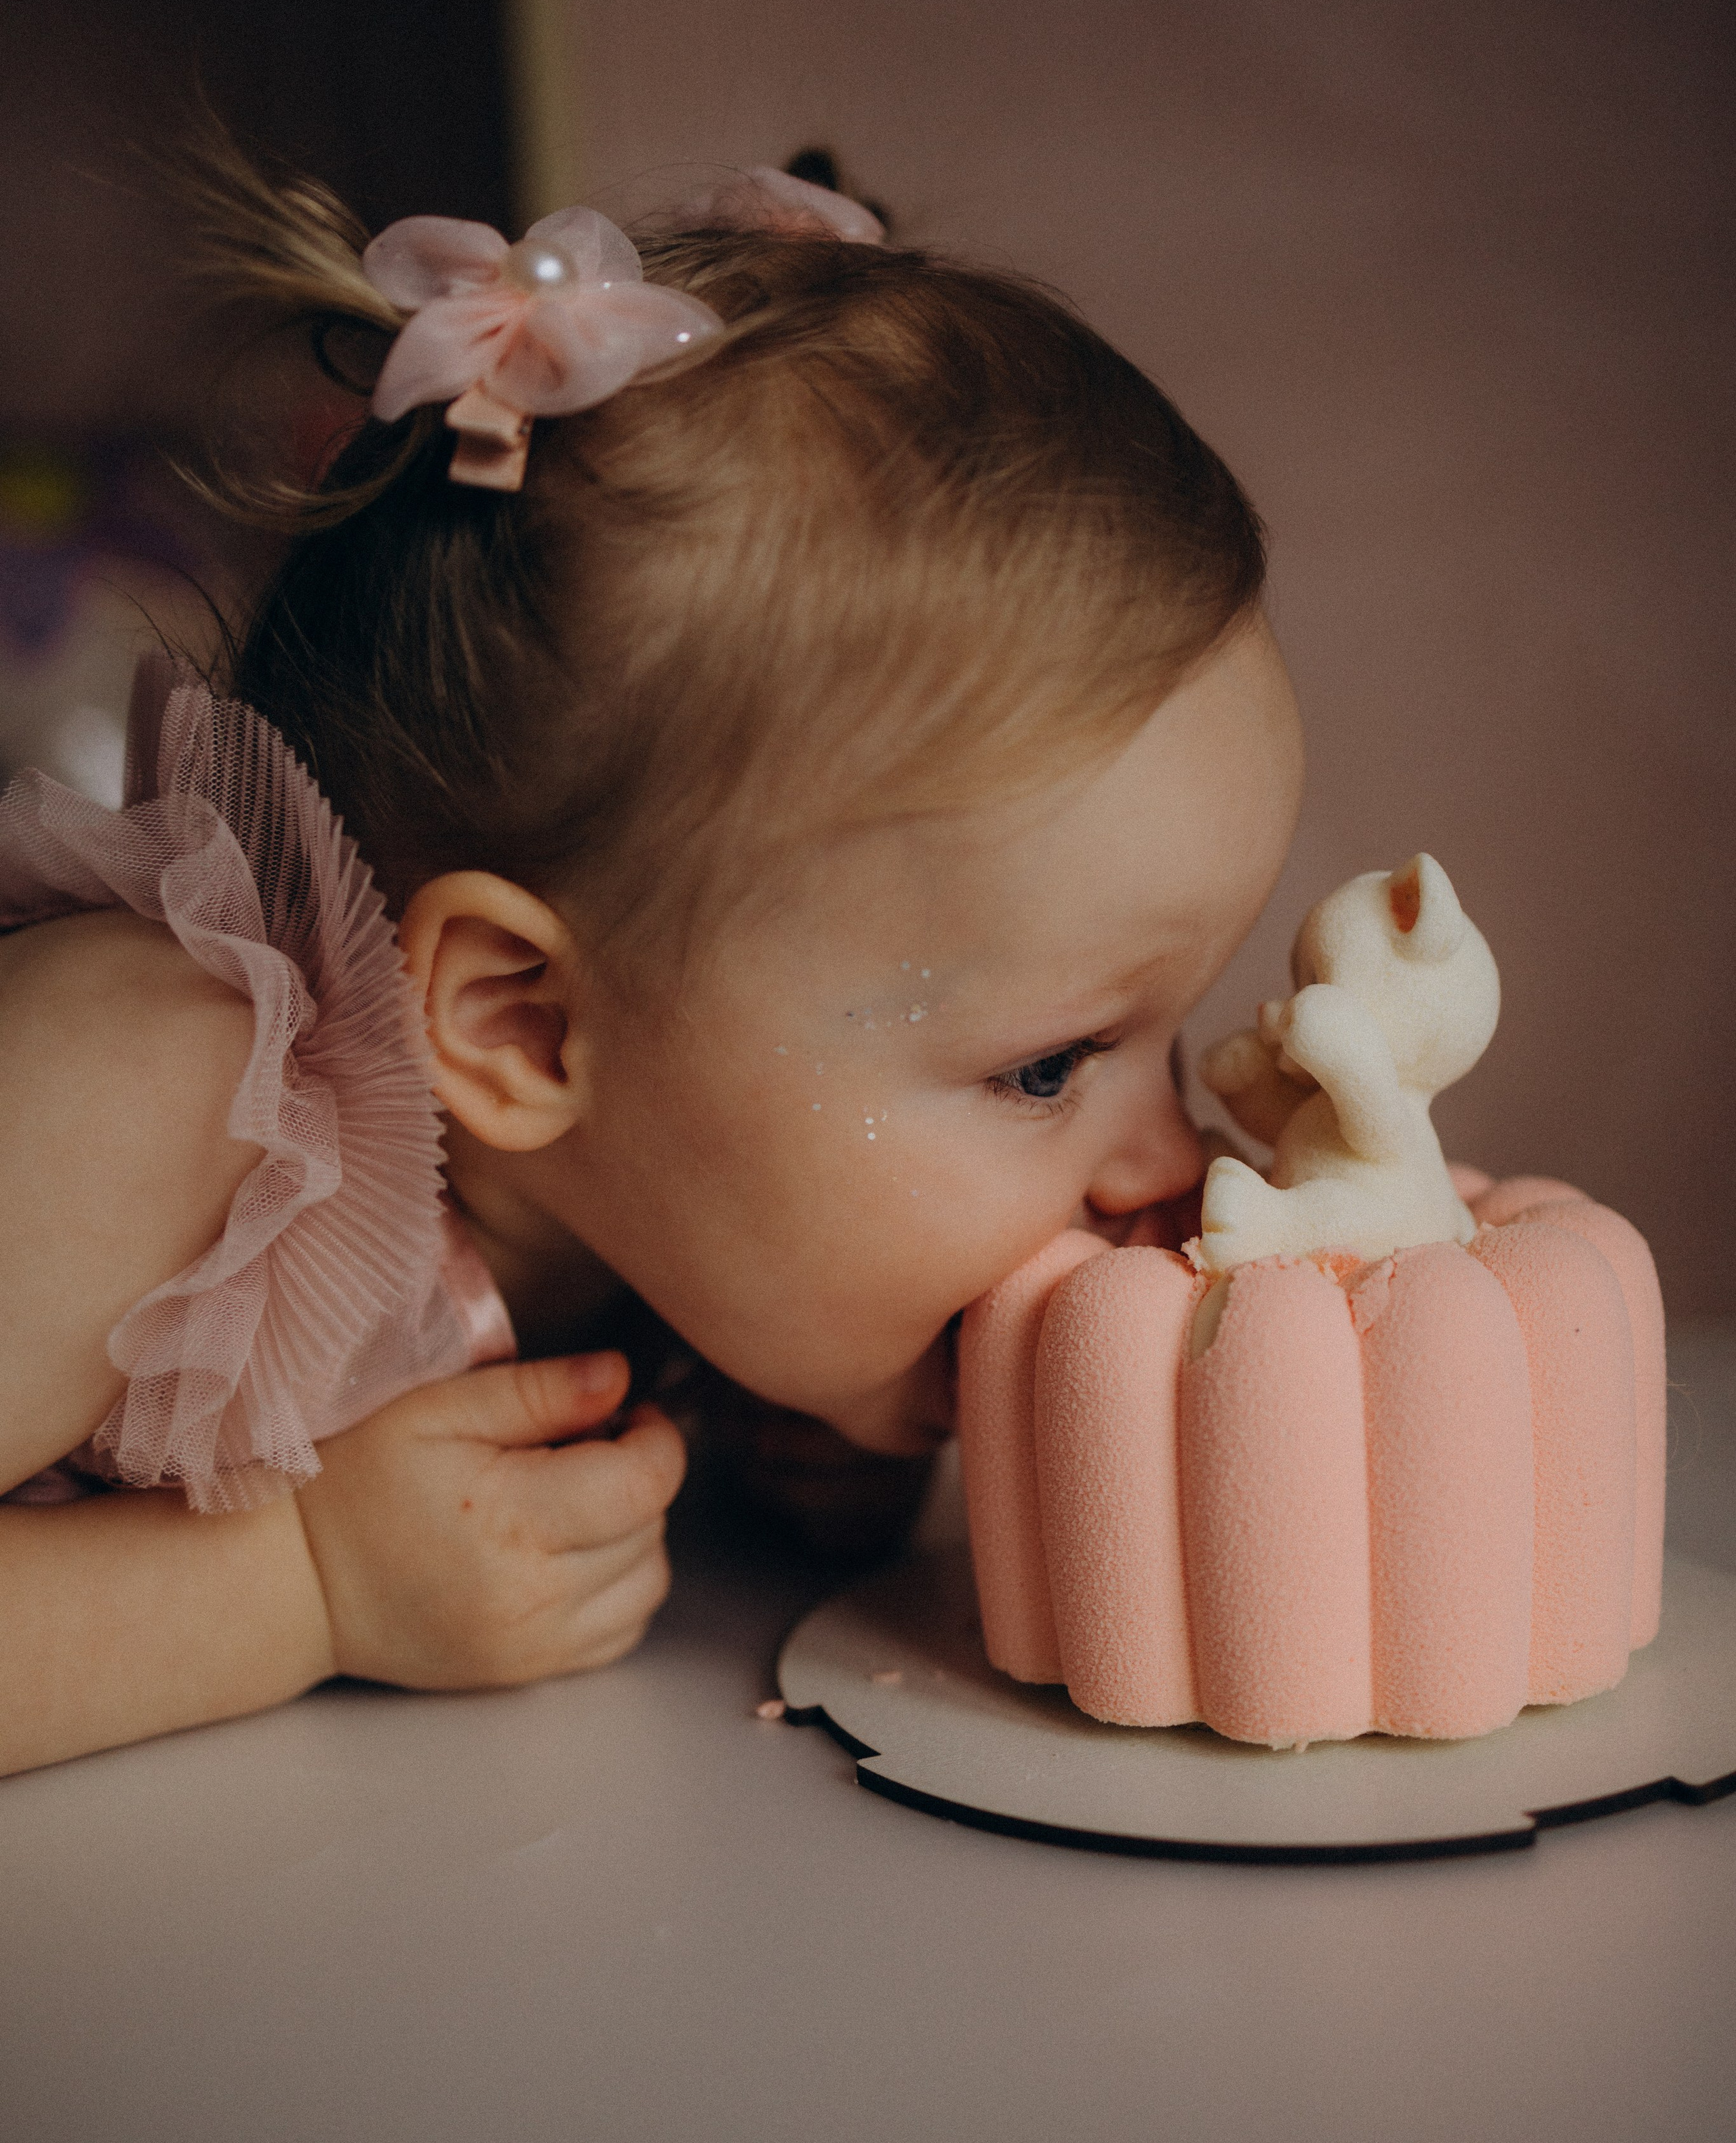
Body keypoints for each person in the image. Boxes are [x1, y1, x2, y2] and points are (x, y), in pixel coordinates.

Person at [0, 145, 1303, 1777]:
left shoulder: (651, 1185)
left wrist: (795, 1442)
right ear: (523, 1024)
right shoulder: (147, 1086)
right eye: (1047, 1064)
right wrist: (295, 1589)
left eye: (1159, 1042)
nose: (1173, 1166)